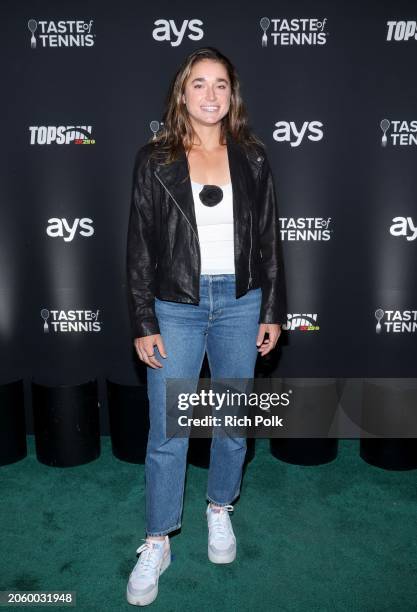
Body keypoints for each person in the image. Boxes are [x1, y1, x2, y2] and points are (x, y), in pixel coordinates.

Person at [125, 46, 286, 606]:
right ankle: (158, 538)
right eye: (199, 84)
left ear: (232, 94)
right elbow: (140, 249)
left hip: (241, 303)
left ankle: (220, 509)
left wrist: (271, 310)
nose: (211, 95)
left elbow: (268, 243)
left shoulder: (255, 158)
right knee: (167, 431)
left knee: (232, 421)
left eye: (221, 84)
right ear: (182, 93)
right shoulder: (154, 160)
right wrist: (144, 319)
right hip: (176, 305)